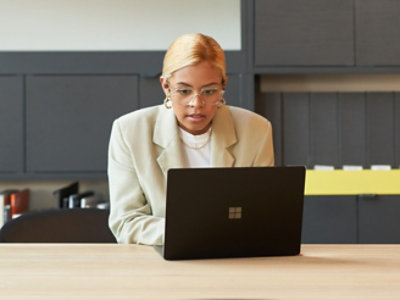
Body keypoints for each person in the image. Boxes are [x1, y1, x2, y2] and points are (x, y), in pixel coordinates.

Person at [108, 33, 274, 245]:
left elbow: (263, 216)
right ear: (166, 87)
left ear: (224, 85)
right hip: (161, 262)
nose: (196, 103)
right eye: (184, 91)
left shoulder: (256, 130)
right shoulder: (129, 131)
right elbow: (125, 223)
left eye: (209, 91)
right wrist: (194, 230)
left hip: (233, 259)